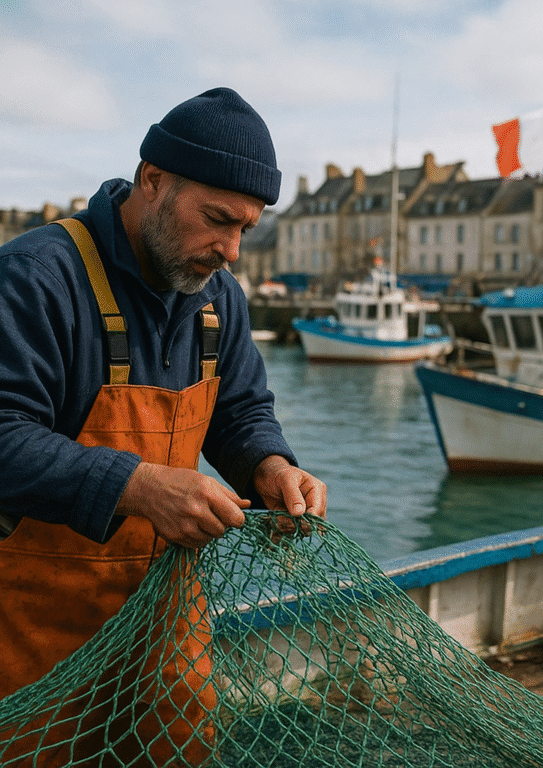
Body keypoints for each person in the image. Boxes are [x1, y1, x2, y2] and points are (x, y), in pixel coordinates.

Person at [0, 87, 326, 765]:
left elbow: (240, 411)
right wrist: (141, 487)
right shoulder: (35, 278)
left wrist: (269, 465)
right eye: (217, 220)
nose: (232, 250)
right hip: (31, 632)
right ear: (153, 181)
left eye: (247, 229)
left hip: (164, 624)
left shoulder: (218, 299)